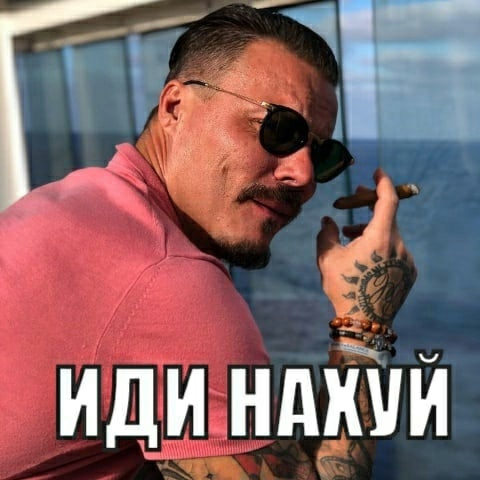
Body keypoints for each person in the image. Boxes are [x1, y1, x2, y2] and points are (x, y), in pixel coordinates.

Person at [0, 4, 416, 480]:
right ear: (175, 108)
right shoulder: (167, 280)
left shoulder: (74, 202)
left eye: (321, 154)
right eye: (279, 129)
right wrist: (365, 321)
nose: (303, 177)